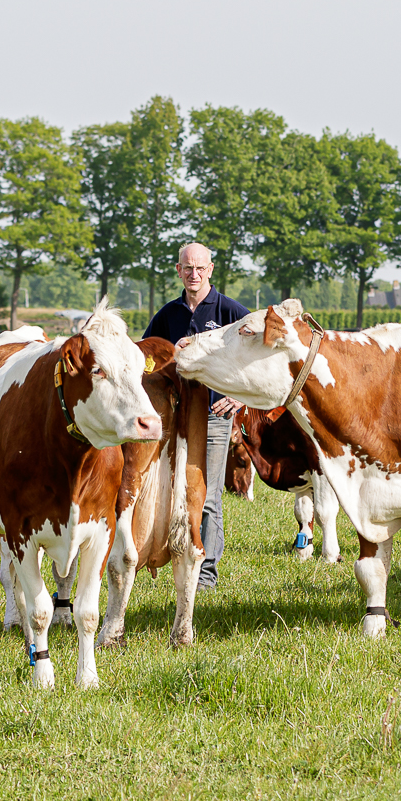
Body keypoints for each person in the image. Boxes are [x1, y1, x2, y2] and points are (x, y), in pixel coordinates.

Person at [143, 243, 250, 587]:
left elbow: (259, 357)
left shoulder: (231, 312)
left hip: (215, 418)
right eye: (187, 268)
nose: (194, 274)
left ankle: (205, 574)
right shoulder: (168, 314)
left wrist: (237, 395)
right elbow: (147, 357)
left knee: (208, 495)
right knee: (173, 489)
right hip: (174, 419)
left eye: (200, 268)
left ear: (211, 270)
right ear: (178, 271)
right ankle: (178, 555)